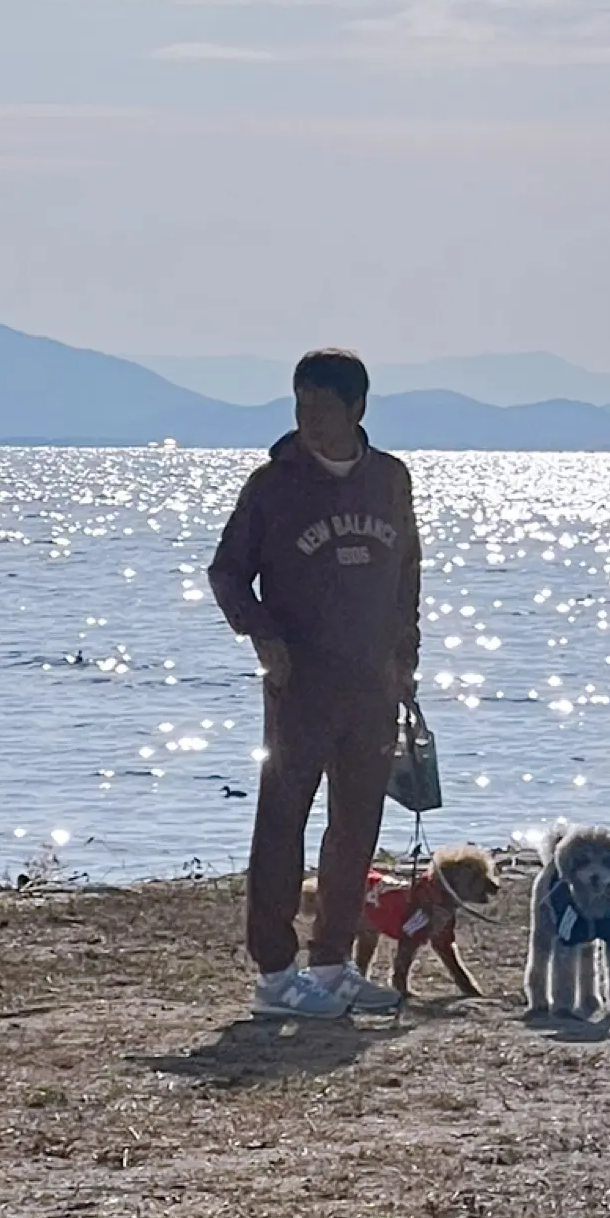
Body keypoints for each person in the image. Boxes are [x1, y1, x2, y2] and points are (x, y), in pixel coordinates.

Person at [207, 346, 422, 1021]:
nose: (312, 423)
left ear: (357, 408)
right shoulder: (273, 485)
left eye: (324, 411)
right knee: (281, 824)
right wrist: (264, 638)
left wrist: (405, 657)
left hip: (372, 682)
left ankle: (331, 965)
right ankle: (275, 974)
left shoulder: (390, 479)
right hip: (300, 681)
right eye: (302, 409)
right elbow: (227, 573)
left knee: (356, 825)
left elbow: (407, 574)